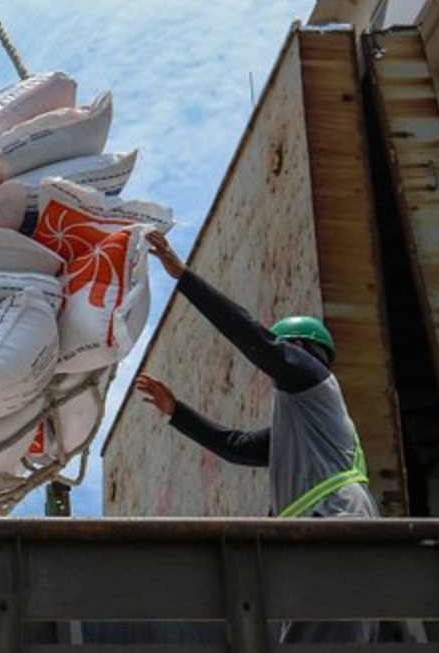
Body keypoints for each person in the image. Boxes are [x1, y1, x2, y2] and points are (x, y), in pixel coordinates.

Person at [134, 230, 377, 645]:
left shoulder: (314, 380)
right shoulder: (304, 427)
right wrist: (176, 411)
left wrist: (184, 277)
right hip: (321, 535)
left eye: (286, 346)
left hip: (334, 527)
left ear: (302, 349)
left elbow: (255, 340)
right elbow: (236, 447)